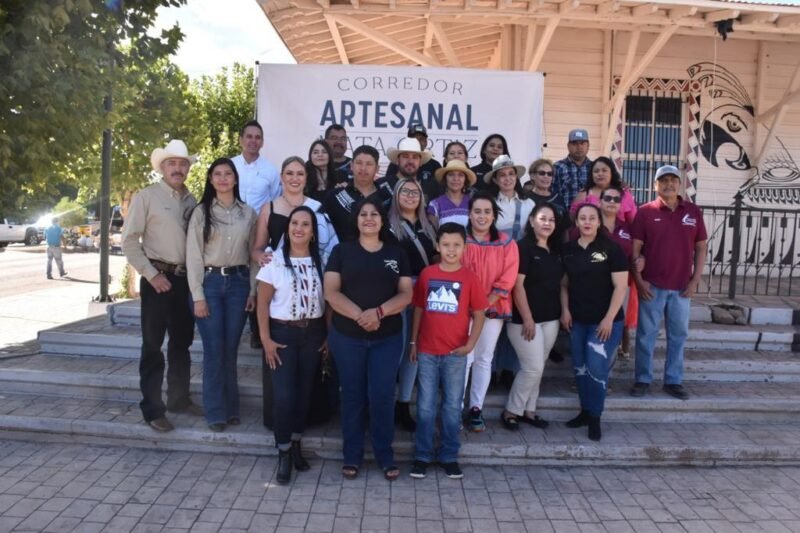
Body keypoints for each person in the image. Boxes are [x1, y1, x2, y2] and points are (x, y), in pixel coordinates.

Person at [324, 198, 413, 481]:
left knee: (382, 395)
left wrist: (379, 313)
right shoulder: (341, 251)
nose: (369, 218)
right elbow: (331, 292)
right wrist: (361, 315)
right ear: (356, 220)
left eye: (375, 214)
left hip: (387, 338)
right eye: (363, 214)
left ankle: (385, 455)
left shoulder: (397, 253)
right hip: (347, 337)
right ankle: (352, 455)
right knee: (352, 396)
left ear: (383, 220)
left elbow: (406, 294)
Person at [122, 139, 202, 432]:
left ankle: (179, 399)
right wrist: (151, 275)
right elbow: (129, 242)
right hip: (156, 279)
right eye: (172, 164)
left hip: (183, 282)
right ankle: (153, 409)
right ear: (162, 167)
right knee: (153, 346)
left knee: (182, 343)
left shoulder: (193, 201)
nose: (178, 169)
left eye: (183, 164)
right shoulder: (147, 197)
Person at [409, 223, 488, 480]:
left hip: (456, 353)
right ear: (438, 246)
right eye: (446, 245)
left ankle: (449, 455)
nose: (451, 250)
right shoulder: (427, 274)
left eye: (456, 245)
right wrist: (413, 342)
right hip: (427, 352)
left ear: (464, 248)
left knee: (453, 406)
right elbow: (419, 309)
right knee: (425, 406)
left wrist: (470, 344)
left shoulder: (470, 278)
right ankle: (422, 455)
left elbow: (479, 314)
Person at [257, 206, 327, 485]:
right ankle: (283, 451)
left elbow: (329, 302)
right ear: (288, 229)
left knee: (304, 395)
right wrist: (266, 339)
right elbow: (262, 303)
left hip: (312, 333)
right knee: (284, 397)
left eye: (305, 224)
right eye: (294, 223)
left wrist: (328, 336)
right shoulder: (274, 261)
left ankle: (296, 444)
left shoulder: (321, 261)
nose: (299, 228)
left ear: (312, 232)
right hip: (282, 335)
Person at [186, 158, 257, 433]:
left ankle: (232, 407)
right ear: (211, 180)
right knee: (214, 349)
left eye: (228, 174)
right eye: (218, 174)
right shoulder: (201, 212)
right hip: (210, 284)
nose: (224, 178)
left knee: (230, 348)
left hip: (239, 285)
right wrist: (197, 295)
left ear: (235, 179)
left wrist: (252, 289)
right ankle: (216, 411)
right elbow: (192, 255)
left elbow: (254, 256)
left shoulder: (248, 213)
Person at [630, 165, 708, 401]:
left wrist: (695, 280)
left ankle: (673, 380)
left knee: (678, 335)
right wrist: (639, 282)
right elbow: (635, 249)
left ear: (680, 183)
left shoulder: (693, 212)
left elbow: (701, 247)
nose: (669, 184)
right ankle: (643, 379)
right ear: (655, 185)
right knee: (646, 335)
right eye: (663, 180)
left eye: (674, 179)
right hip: (652, 286)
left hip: (682, 288)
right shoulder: (644, 212)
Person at [560, 203, 628, 441]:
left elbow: (621, 287)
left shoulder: (612, 249)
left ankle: (595, 418)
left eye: (592, 218)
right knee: (579, 367)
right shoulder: (568, 250)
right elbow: (564, 284)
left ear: (599, 222)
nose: (587, 222)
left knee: (596, 368)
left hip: (605, 323)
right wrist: (565, 311)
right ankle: (585, 411)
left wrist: (609, 319)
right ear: (576, 222)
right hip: (578, 321)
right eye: (582, 218)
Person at [500, 203, 562, 431]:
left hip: (551, 319)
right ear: (532, 221)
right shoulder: (522, 247)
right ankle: (511, 410)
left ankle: (530, 410)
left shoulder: (555, 251)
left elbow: (560, 284)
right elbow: (517, 286)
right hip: (524, 321)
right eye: (543, 219)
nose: (547, 223)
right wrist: (527, 318)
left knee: (539, 366)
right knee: (533, 368)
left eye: (551, 220)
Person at [462, 192, 519, 432]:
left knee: (484, 359)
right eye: (477, 211)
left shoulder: (506, 242)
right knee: (464, 359)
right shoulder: (460, 240)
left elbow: (508, 278)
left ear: (494, 215)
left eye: (487, 211)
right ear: (470, 214)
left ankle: (476, 408)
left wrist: (483, 305)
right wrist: (471, 306)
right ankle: (454, 409)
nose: (482, 216)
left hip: (492, 309)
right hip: (462, 311)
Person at [386, 179, 437, 432]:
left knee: (414, 351)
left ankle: (404, 404)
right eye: (404, 191)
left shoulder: (429, 225)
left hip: (424, 293)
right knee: (395, 349)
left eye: (414, 192)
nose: (409, 195)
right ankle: (385, 403)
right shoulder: (388, 225)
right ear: (396, 195)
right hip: (396, 292)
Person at [231, 119, 282, 349]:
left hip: (257, 231)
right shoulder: (230, 166)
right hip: (230, 229)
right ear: (241, 140)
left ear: (262, 142)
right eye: (249, 136)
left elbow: (273, 202)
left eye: (257, 137)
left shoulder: (270, 171)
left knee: (257, 278)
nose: (253, 141)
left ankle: (255, 329)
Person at [323, 145, 394, 242]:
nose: (363, 168)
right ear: (351, 166)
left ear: (377, 168)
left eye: (369, 164)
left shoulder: (388, 198)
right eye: (359, 163)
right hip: (343, 255)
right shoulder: (334, 197)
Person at [570, 156, 637, 223]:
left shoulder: (624, 194)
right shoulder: (584, 195)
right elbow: (573, 220)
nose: (600, 174)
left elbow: (633, 221)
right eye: (596, 171)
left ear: (611, 173)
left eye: (604, 170)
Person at [484, 155, 534, 241]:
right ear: (495, 180)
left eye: (511, 174)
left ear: (516, 177)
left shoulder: (529, 204)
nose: (508, 178)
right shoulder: (489, 204)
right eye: (502, 175)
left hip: (524, 253)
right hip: (496, 251)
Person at [385, 124, 443, 195]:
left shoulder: (435, 165)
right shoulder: (395, 164)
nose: (418, 142)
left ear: (426, 142)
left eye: (421, 139)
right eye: (414, 139)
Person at [553, 128, 592, 212]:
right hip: (564, 219)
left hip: (590, 220)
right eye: (574, 143)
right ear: (568, 146)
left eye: (582, 143)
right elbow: (551, 194)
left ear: (588, 145)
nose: (579, 147)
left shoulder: (595, 168)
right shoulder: (557, 167)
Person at [427, 159, 475, 228]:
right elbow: (433, 234)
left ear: (465, 180)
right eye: (451, 175)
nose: (455, 178)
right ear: (445, 179)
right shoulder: (435, 205)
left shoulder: (473, 203)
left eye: (460, 175)